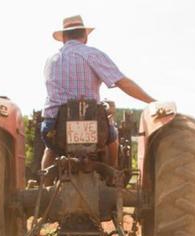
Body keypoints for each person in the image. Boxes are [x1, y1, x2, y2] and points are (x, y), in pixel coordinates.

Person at [41, 15, 156, 169]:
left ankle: (45, 185)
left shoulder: (50, 60)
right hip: (94, 124)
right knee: (112, 140)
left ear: (63, 39)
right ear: (85, 36)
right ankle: (112, 180)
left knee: (50, 149)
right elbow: (123, 83)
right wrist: (153, 102)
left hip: (54, 127)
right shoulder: (92, 54)